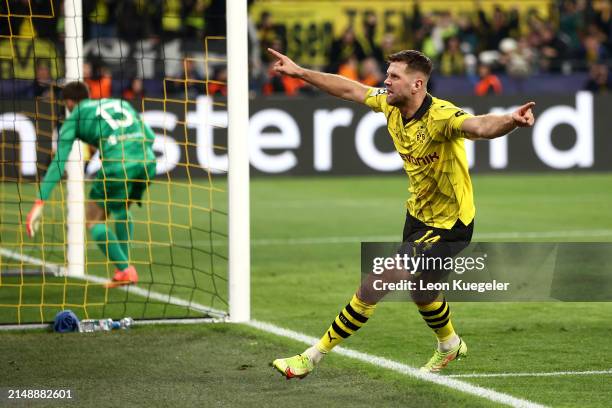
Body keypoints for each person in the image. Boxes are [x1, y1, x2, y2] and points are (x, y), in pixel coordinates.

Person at [267, 47, 535, 378]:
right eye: (388, 74)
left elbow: (479, 126)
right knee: (422, 291)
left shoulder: (441, 116)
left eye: (394, 76)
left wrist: (511, 119)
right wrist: (302, 72)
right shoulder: (390, 104)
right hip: (418, 216)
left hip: (450, 224)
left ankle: (311, 356)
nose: (386, 81)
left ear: (417, 84)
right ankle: (450, 344)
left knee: (377, 281)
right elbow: (351, 89)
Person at [26, 81, 157, 287]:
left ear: (69, 102)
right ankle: (123, 269)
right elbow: (150, 136)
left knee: (93, 220)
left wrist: (39, 201)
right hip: (148, 162)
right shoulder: (120, 103)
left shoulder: (74, 118)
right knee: (121, 209)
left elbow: (59, 163)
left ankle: (125, 269)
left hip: (118, 166)